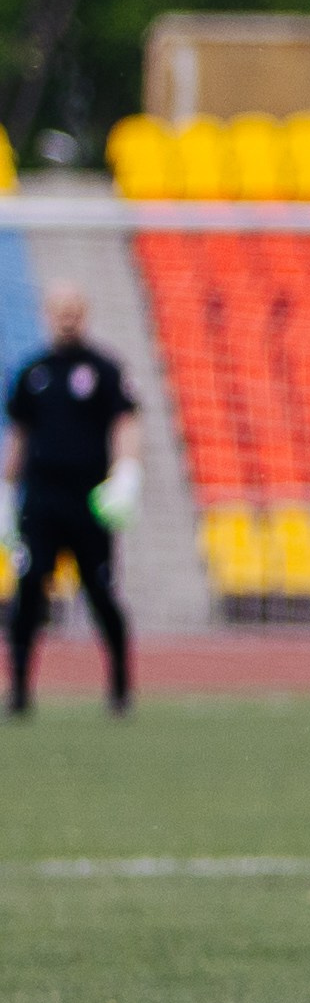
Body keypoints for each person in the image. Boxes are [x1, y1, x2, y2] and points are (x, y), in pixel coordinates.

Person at [5, 282, 141, 716]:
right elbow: (19, 437)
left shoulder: (104, 369)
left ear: (85, 313)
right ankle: (20, 691)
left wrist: (127, 470)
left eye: (74, 310)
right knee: (28, 591)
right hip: (42, 501)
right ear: (48, 314)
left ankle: (120, 688)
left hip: (88, 501)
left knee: (101, 592)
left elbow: (125, 423)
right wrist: (6, 489)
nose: (67, 318)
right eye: (60, 311)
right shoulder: (32, 372)